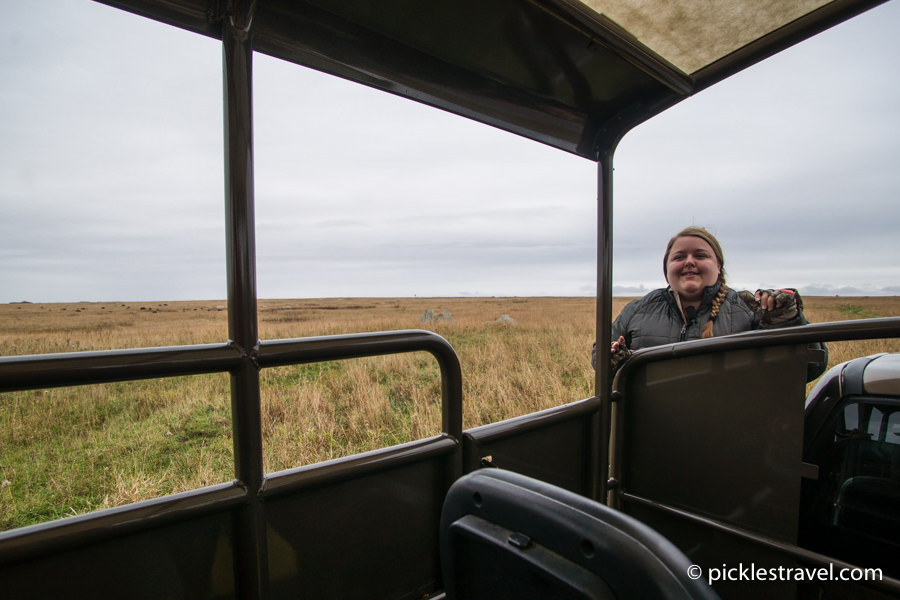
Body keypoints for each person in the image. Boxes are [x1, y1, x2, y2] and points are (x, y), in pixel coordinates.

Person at [594, 226, 826, 381]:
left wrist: (786, 321)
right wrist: (615, 359)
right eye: (679, 257)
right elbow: (600, 357)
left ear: (718, 267)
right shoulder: (638, 309)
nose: (689, 262)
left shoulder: (746, 310)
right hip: (649, 432)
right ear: (667, 270)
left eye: (700, 255)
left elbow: (808, 368)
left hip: (726, 434)